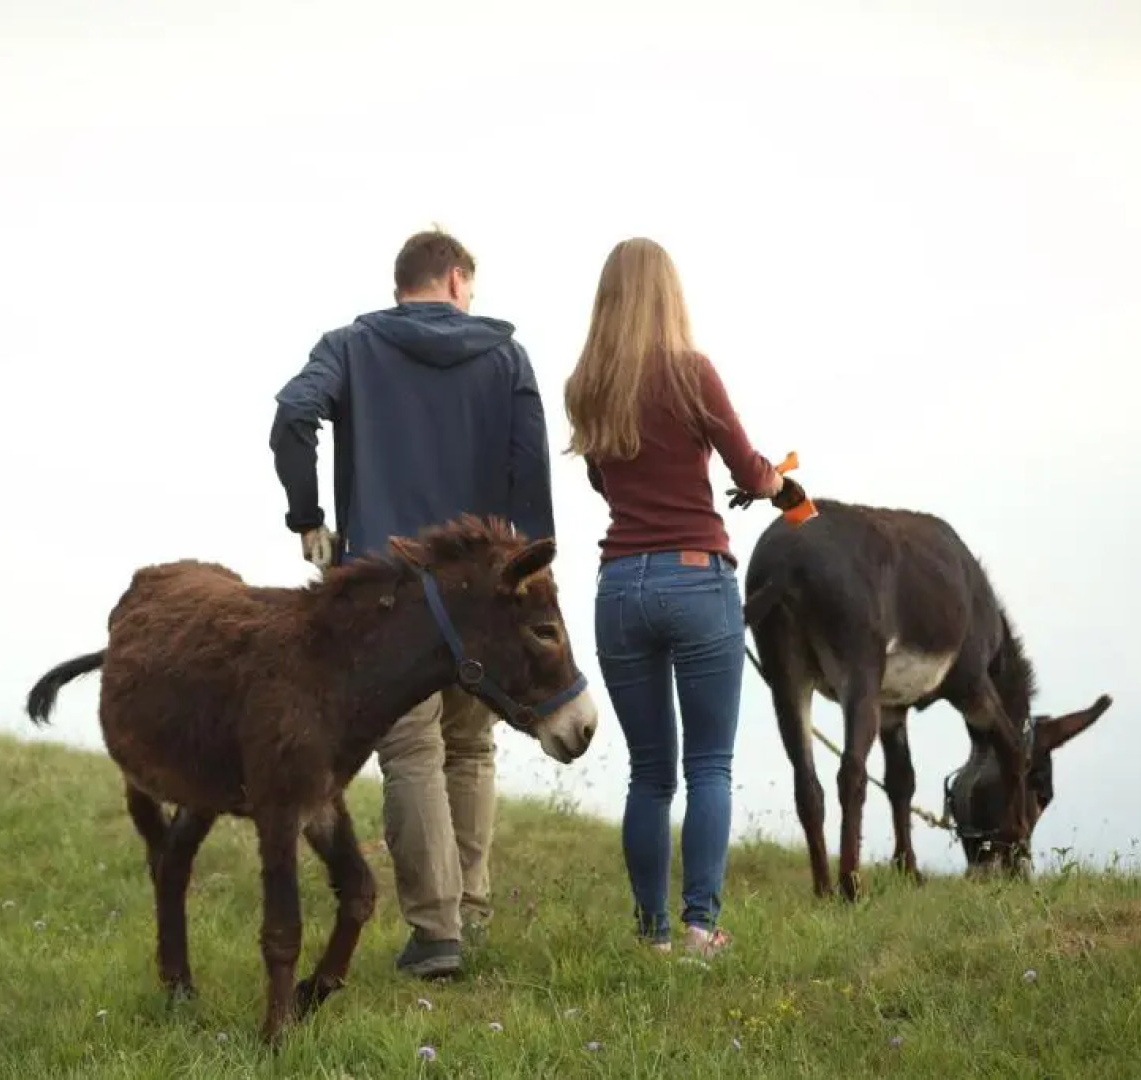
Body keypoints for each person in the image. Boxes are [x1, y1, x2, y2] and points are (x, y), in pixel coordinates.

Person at [268, 228, 555, 979]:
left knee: (411, 752)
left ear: (405, 282)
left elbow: (293, 416)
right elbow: (531, 479)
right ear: (456, 280)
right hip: (485, 598)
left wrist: (308, 519)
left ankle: (437, 933)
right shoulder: (507, 359)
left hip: (389, 596)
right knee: (471, 747)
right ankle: (471, 912)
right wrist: (529, 584)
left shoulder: (349, 347)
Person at [562, 237, 804, 960]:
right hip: (696, 576)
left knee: (648, 772)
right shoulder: (691, 373)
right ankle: (701, 928)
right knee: (708, 766)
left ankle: (652, 937)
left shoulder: (587, 385)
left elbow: (603, 481)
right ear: (668, 294)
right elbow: (751, 472)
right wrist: (778, 484)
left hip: (618, 587)